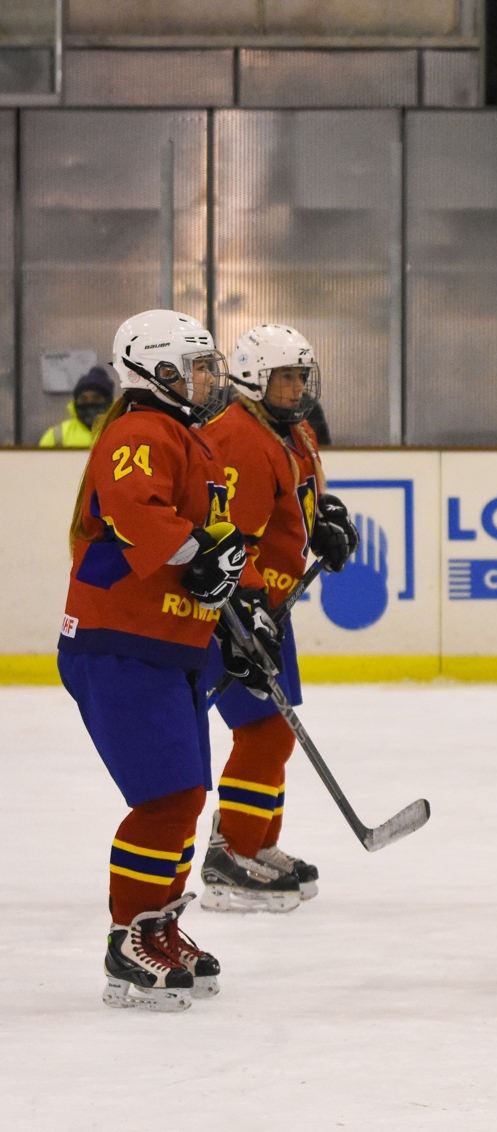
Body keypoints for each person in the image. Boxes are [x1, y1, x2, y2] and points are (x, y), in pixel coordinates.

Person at [59, 309, 247, 1011]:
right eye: (191, 368)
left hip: (171, 646)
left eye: (207, 366)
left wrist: (236, 598)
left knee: (185, 799)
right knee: (164, 799)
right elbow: (142, 516)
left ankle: (160, 923)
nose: (204, 379)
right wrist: (203, 555)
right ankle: (127, 936)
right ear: (152, 371)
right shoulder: (139, 432)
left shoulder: (187, 437)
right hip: (121, 646)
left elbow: (212, 537)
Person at [196, 323, 358, 912]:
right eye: (284, 376)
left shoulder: (294, 429)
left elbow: (297, 498)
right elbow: (226, 536)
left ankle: (257, 844)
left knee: (273, 732)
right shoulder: (237, 437)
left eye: (300, 375)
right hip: (233, 610)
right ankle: (230, 857)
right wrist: (247, 603)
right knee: (263, 731)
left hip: (269, 609)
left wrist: (325, 522)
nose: (296, 387)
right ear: (252, 379)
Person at [39, 365, 115, 448]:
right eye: (83, 398)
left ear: (109, 402)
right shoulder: (56, 436)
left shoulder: (121, 432)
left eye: (96, 398)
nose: (89, 403)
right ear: (76, 402)